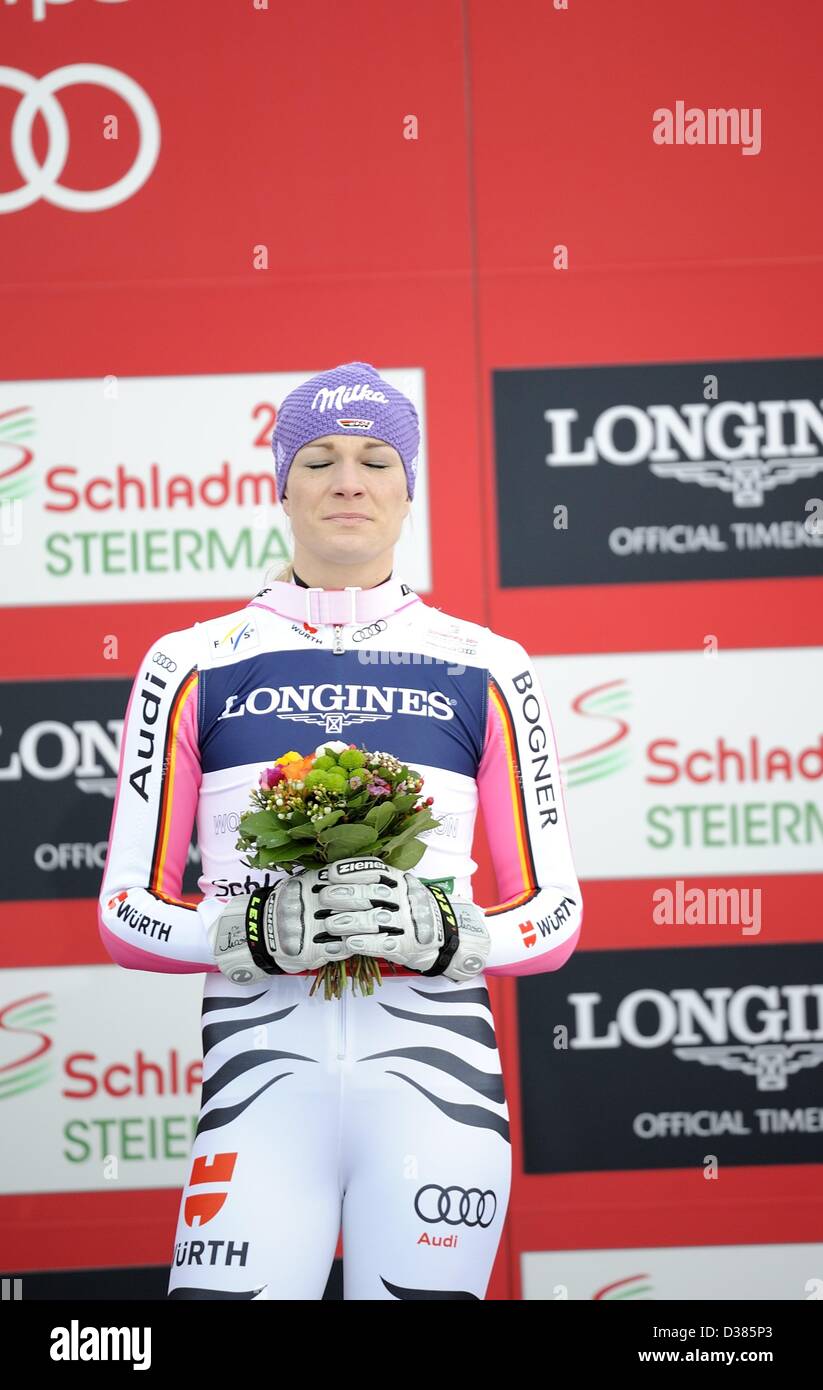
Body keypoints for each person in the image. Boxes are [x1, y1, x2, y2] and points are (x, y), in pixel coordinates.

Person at [97, 360, 583, 1300]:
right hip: (257, 1096)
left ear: (409, 492)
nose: (348, 480)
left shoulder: (488, 666)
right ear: (281, 487)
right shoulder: (189, 662)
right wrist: (247, 933)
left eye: (375, 460)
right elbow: (125, 912)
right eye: (318, 460)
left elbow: (555, 913)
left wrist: (448, 931)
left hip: (437, 1098)